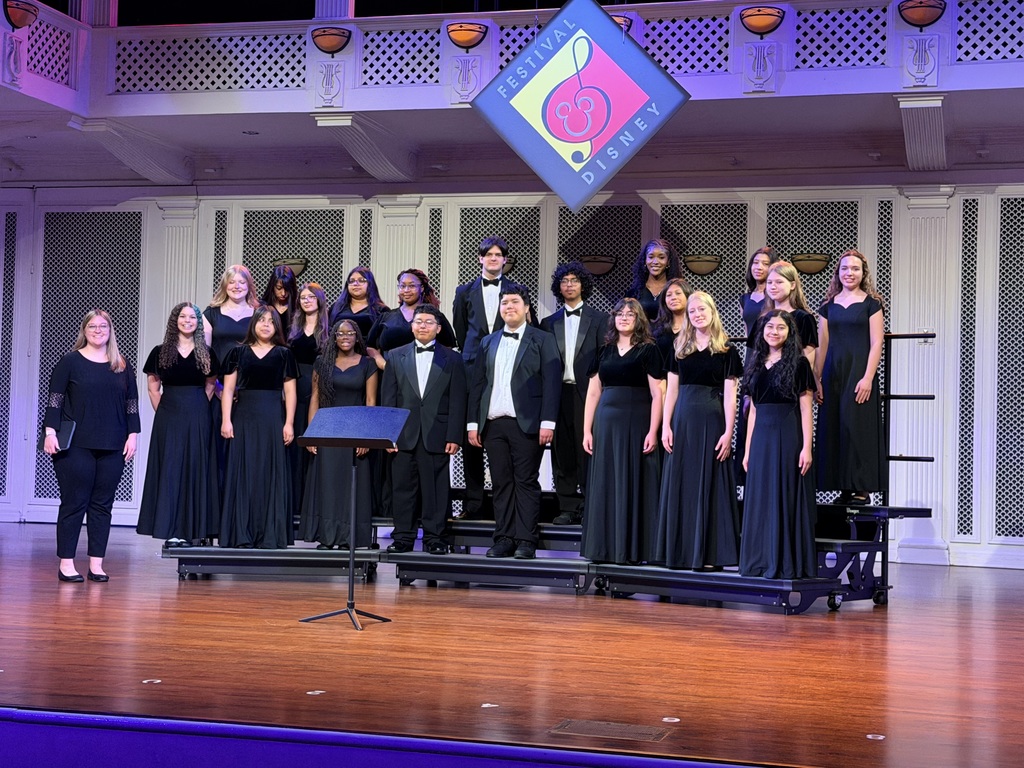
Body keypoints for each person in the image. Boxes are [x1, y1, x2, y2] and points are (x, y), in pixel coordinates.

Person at [44, 310, 141, 583]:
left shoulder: (121, 364)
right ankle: (66, 564)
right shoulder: (70, 362)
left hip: (113, 444)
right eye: (93, 326)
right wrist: (50, 432)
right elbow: (55, 400)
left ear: (110, 331)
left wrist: (133, 435)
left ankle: (96, 564)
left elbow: (131, 404)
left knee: (102, 505)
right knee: (74, 502)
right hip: (76, 444)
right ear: (84, 330)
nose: (98, 330)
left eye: (103, 326)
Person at [468, 285, 560, 560]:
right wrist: (473, 423)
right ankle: (504, 538)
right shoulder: (488, 341)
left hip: (528, 423)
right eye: (505, 302)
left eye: (514, 302)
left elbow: (552, 382)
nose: (509, 307)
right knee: (500, 483)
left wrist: (548, 422)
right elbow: (478, 384)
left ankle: (526, 540)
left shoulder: (542, 339)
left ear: (526, 307)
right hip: (494, 423)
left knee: (526, 482)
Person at [452, 236, 535, 520]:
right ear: (480, 258)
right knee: (472, 435)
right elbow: (461, 329)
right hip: (472, 365)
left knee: (504, 432)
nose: (493, 259)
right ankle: (474, 503)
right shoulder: (464, 291)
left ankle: (509, 505)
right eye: (488, 255)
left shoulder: (516, 291)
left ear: (504, 260)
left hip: (506, 364)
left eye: (498, 255)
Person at [657, 292, 742, 570]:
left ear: (712, 311)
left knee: (712, 482)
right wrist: (666, 426)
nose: (697, 314)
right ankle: (681, 552)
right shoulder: (679, 347)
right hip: (683, 420)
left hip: (712, 420)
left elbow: (731, 397)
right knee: (683, 481)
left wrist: (728, 432)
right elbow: (671, 391)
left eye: (701, 309)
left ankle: (710, 554)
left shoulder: (727, 350)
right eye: (692, 311)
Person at [581, 297, 664, 565]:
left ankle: (634, 550)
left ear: (639, 319)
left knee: (634, 480)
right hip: (606, 423)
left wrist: (653, 431)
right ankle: (605, 548)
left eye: (630, 314)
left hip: (637, 422)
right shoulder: (603, 351)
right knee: (606, 481)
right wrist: (587, 430)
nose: (624, 318)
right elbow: (593, 393)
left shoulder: (649, 350)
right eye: (619, 314)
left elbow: (658, 395)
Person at [367, 268, 455, 518]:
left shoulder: (433, 315)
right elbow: (370, 345)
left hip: (429, 391)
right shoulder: (387, 316)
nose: (406, 289)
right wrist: (385, 364)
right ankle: (398, 522)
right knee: (400, 464)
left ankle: (432, 526)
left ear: (421, 288)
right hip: (393, 383)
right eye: (402, 285)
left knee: (430, 470)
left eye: (411, 285)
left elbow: (449, 347)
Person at [381, 304, 467, 554]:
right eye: (418, 321)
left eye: (429, 322)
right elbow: (389, 399)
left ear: (438, 328)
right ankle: (403, 537)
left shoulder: (453, 358)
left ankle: (436, 538)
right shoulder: (395, 356)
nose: (423, 326)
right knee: (402, 489)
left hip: (437, 434)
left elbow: (458, 399)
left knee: (436, 490)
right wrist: (389, 435)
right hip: (403, 435)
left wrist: (454, 435)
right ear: (412, 326)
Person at [740, 310, 817, 579]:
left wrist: (807, 447)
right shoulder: (755, 364)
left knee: (784, 493)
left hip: (787, 434)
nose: (774, 332)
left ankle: (783, 561)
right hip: (761, 436)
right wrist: (748, 450)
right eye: (770, 327)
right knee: (761, 496)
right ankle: (760, 560)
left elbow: (806, 409)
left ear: (790, 332)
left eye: (781, 327)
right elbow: (753, 411)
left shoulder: (799, 363)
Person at [136, 303, 219, 549]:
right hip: (169, 415)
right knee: (170, 469)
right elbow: (153, 388)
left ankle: (192, 529)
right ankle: (172, 529)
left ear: (198, 322)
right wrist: (166, 414)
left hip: (198, 413)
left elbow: (211, 385)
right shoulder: (160, 352)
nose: (187, 321)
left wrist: (196, 408)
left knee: (195, 467)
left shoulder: (207, 353)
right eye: (183, 316)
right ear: (175, 320)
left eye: (192, 317)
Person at [219, 307, 298, 548]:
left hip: (272, 417)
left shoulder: (284, 354)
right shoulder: (237, 352)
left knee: (269, 471)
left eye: (270, 322)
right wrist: (226, 420)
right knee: (244, 471)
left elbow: (290, 392)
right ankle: (241, 533)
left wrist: (289, 423)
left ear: (276, 327)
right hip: (244, 417)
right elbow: (228, 390)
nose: (265, 325)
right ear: (253, 323)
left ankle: (269, 534)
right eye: (261, 320)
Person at [815, 249, 887, 505]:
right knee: (836, 427)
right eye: (844, 268)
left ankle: (861, 488)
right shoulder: (827, 306)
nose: (849, 273)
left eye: (855, 269)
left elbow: (877, 342)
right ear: (838, 273)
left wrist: (868, 377)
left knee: (858, 428)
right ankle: (843, 487)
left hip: (859, 373)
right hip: (834, 374)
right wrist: (817, 379)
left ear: (863, 273)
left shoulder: (872, 304)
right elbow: (822, 345)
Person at [299, 319, 378, 549]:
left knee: (350, 485)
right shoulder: (322, 363)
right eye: (340, 334)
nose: (345, 337)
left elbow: (371, 401)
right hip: (328, 430)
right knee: (328, 484)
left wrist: (366, 436)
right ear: (334, 337)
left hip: (355, 431)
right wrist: (312, 434)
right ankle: (327, 536)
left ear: (357, 337)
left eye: (350, 333)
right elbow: (315, 399)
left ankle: (348, 538)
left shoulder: (368, 364)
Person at [540, 261, 605, 525]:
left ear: (583, 285)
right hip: (558, 394)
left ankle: (590, 505)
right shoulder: (547, 323)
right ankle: (567, 506)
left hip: (588, 393)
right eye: (564, 281)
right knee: (562, 451)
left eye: (574, 280)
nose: (569, 285)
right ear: (559, 287)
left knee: (588, 448)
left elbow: (603, 359)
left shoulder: (600, 319)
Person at [204, 264, 259, 499]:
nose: (237, 286)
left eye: (242, 282)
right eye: (232, 282)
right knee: (219, 449)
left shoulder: (259, 313)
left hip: (249, 391)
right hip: (218, 390)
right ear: (225, 285)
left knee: (246, 450)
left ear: (249, 286)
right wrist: (216, 386)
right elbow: (204, 354)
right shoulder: (211, 313)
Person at [736, 247, 779, 486]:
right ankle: (747, 476)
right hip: (751, 359)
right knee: (746, 413)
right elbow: (748, 336)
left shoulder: (775, 296)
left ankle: (768, 471)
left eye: (764, 263)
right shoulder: (744, 299)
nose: (758, 267)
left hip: (770, 356)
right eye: (755, 263)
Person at [288, 283, 330, 519]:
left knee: (315, 442)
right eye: (303, 297)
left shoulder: (328, 330)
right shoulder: (292, 329)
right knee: (296, 443)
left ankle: (312, 508)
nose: (306, 301)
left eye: (311, 297)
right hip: (295, 386)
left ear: (319, 300)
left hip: (318, 388)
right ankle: (294, 505)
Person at [762, 261, 818, 368]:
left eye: (779, 282)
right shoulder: (763, 317)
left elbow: (808, 357)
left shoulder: (804, 318)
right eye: (769, 282)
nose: (773, 287)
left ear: (792, 285)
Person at [625, 238, 683, 322]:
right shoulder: (634, 293)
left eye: (661, 257)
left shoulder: (678, 291)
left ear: (668, 261)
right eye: (651, 257)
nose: (655, 262)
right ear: (645, 260)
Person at [328, 266, 389, 339]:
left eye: (361, 280)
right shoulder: (336, 308)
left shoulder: (381, 310)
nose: (356, 284)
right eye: (351, 281)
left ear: (370, 284)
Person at [651, 277, 693, 368]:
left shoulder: (696, 328)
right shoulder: (657, 329)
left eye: (678, 293)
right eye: (669, 295)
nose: (673, 298)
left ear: (688, 297)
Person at [261, 264, 298, 333]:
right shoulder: (263, 306)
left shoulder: (297, 307)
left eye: (287, 289)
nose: (283, 293)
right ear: (272, 286)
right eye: (279, 288)